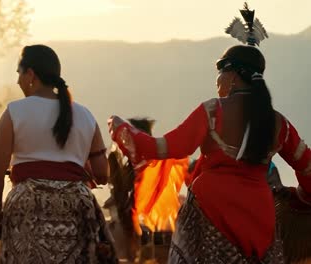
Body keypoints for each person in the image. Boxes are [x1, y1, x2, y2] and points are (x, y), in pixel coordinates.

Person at [108, 31, 311, 264]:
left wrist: (123, 129)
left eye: (220, 73)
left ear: (233, 76)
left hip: (209, 210)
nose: (217, 81)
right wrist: (299, 197)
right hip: (259, 216)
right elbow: (308, 168)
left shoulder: (212, 112)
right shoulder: (279, 124)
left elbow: (164, 148)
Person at [0, 44, 117, 263]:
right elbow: (102, 173)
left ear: (30, 74)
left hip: (28, 204)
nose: (17, 81)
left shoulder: (14, 112)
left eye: (18, 73)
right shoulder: (85, 115)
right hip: (77, 205)